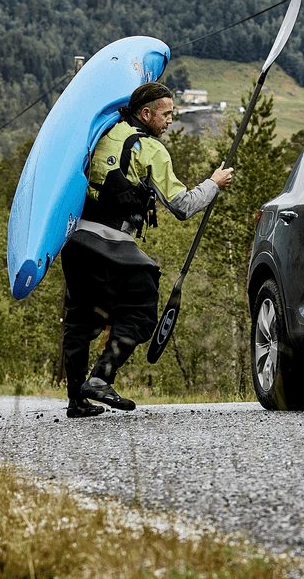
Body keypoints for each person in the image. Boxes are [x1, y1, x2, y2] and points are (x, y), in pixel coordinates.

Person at [61, 82, 234, 418]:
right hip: (111, 245)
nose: (171, 120)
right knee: (141, 308)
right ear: (146, 114)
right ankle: (101, 378)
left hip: (76, 242)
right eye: (166, 114)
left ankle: (76, 400)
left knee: (81, 319)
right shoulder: (151, 149)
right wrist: (214, 183)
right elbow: (182, 206)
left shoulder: (103, 132)